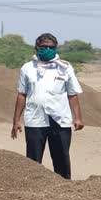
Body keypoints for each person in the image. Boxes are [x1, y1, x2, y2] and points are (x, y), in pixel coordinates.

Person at [11, 33, 84, 179]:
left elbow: (72, 94)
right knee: (33, 160)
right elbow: (22, 94)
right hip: (35, 119)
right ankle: (32, 187)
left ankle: (63, 188)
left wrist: (78, 118)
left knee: (61, 158)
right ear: (37, 47)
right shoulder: (27, 68)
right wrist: (16, 120)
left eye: (51, 47)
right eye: (44, 47)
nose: (47, 49)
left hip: (60, 119)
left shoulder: (65, 68)